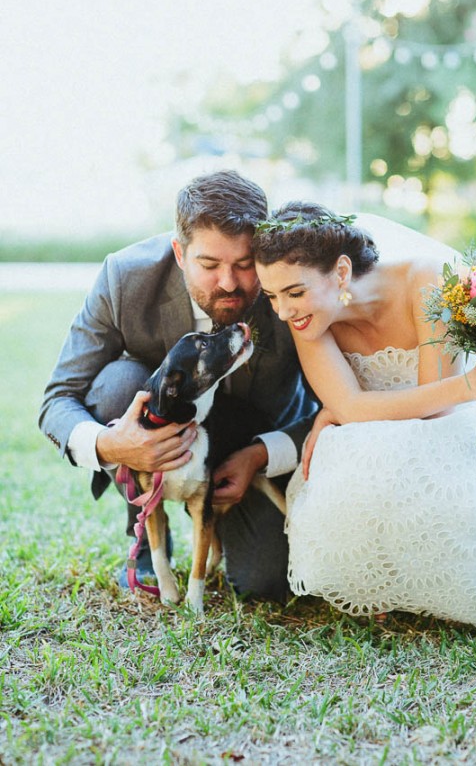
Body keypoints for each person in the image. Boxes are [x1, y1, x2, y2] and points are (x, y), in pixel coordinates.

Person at [252, 202, 476, 634]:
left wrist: (459, 391)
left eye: (294, 292)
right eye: (272, 296)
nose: (283, 312)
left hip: (450, 432)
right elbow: (351, 408)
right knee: (341, 449)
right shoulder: (309, 323)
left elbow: (440, 409)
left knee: (385, 448)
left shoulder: (426, 278)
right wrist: (341, 411)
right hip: (389, 430)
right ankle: (380, 585)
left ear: (341, 273)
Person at [39, 171, 317, 601]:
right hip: (157, 439)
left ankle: (226, 529)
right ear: (180, 252)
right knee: (120, 385)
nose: (228, 282)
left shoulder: (290, 283)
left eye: (244, 265)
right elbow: (59, 399)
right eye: (209, 265)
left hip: (255, 445)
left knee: (266, 581)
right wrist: (115, 446)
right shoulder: (124, 278)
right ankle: (150, 537)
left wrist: (262, 454)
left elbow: (331, 408)